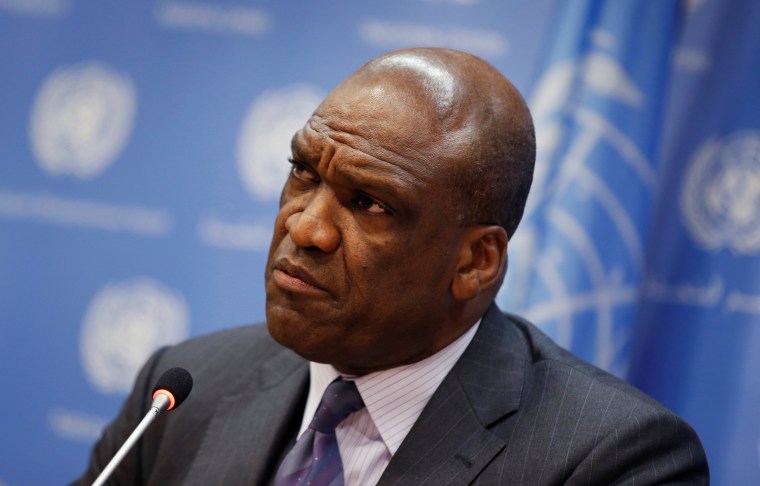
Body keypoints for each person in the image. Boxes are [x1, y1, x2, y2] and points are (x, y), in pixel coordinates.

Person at [74, 48, 708, 485]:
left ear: (475, 261)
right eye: (303, 172)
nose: (305, 226)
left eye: (368, 203)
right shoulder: (184, 391)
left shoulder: (609, 461)